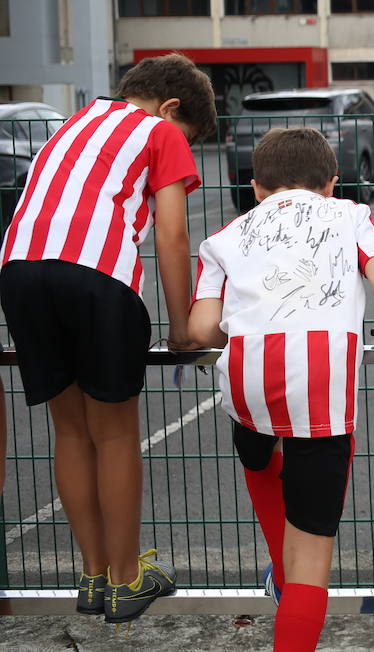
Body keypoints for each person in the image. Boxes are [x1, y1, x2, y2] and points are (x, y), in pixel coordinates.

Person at [0, 54, 215, 625]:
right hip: (95, 274)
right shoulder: (158, 131)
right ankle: (126, 580)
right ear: (171, 109)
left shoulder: (71, 124)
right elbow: (171, 233)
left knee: (69, 431)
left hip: (20, 270)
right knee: (116, 435)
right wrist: (180, 326)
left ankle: (94, 574)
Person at [187, 127, 374, 650]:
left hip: (247, 381)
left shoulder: (225, 235)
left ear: (256, 188)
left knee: (259, 453)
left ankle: (281, 572)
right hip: (319, 385)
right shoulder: (350, 215)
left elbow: (202, 331)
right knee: (314, 558)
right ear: (333, 183)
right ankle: (294, 586)